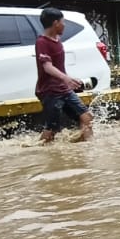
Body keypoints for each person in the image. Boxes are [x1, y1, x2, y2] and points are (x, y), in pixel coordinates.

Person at [35, 8, 94, 144]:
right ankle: (40, 152)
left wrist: (70, 79)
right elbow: (47, 67)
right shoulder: (42, 42)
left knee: (86, 117)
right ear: (56, 23)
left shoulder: (57, 39)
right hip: (50, 92)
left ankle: (90, 148)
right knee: (52, 130)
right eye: (63, 22)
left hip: (64, 89)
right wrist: (66, 78)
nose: (65, 25)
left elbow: (58, 66)